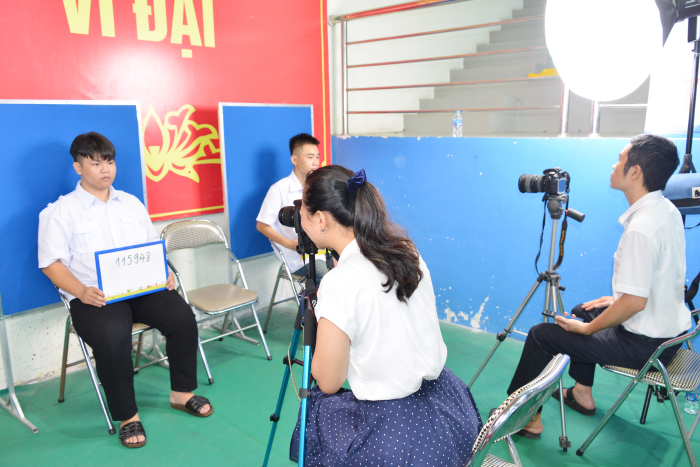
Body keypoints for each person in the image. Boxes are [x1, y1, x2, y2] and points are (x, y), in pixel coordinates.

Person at [289, 165, 482, 466]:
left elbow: (328, 381)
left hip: (399, 438)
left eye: (302, 207)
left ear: (321, 220)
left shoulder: (340, 282)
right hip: (452, 412)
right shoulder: (406, 252)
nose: (298, 214)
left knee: (317, 411)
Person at [507, 134, 691, 438]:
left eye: (620, 159)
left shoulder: (642, 228)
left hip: (647, 347)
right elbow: (659, 278)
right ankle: (582, 394)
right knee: (582, 309)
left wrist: (588, 329)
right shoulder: (666, 210)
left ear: (635, 172)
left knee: (542, 336)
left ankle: (524, 417)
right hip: (671, 335)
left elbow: (635, 303)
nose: (614, 166)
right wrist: (618, 298)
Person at [38, 132, 212, 449]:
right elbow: (50, 263)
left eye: (109, 161)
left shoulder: (131, 203)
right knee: (112, 338)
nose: (105, 169)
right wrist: (81, 291)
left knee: (183, 318)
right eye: (95, 163)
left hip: (142, 288)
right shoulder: (60, 212)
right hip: (96, 297)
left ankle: (181, 393)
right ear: (78, 167)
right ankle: (127, 416)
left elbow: (151, 246)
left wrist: (163, 272)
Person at [256, 133, 327, 284]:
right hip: (298, 259)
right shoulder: (279, 190)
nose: (315, 162)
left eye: (317, 157)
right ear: (294, 160)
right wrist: (288, 244)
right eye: (310, 157)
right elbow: (261, 225)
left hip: (324, 251)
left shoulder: (318, 187)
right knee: (330, 279)